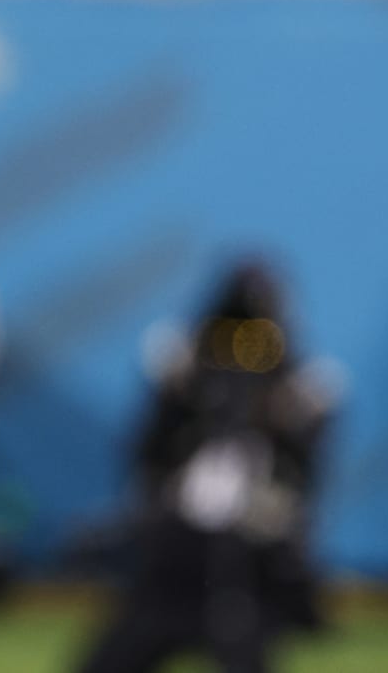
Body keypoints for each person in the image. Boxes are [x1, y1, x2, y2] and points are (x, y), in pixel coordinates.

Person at [73, 260, 335, 673]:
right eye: (230, 334)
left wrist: (278, 414)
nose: (240, 351)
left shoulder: (298, 388)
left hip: (251, 557)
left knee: (242, 643)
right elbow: (150, 455)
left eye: (255, 338)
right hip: (175, 550)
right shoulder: (183, 371)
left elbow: (302, 480)